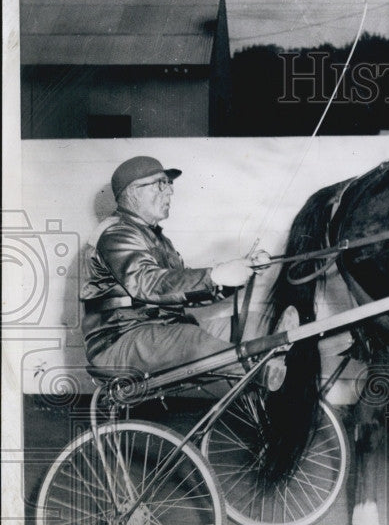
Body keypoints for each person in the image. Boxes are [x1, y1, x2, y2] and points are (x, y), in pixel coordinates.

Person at [81, 156, 288, 388]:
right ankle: (262, 371)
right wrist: (214, 275)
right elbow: (147, 283)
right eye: (160, 184)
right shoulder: (116, 234)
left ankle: (273, 350)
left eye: (169, 184)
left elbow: (183, 291)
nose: (169, 192)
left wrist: (239, 273)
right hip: (119, 341)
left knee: (253, 322)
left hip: (164, 330)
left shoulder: (159, 239)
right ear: (132, 193)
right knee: (192, 340)